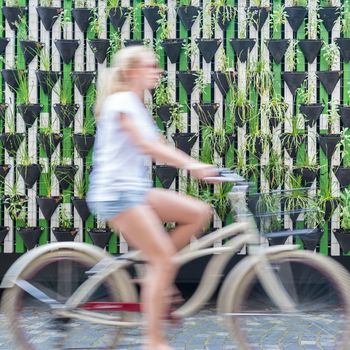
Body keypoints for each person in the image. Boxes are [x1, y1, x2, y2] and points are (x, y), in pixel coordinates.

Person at [87, 45, 216, 350]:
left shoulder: (136, 102)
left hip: (135, 190)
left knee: (199, 212)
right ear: (131, 71)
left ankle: (153, 276)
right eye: (150, 66)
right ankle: (153, 341)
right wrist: (191, 165)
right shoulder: (121, 102)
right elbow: (146, 145)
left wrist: (205, 166)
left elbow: (157, 143)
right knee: (164, 260)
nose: (157, 71)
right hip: (117, 193)